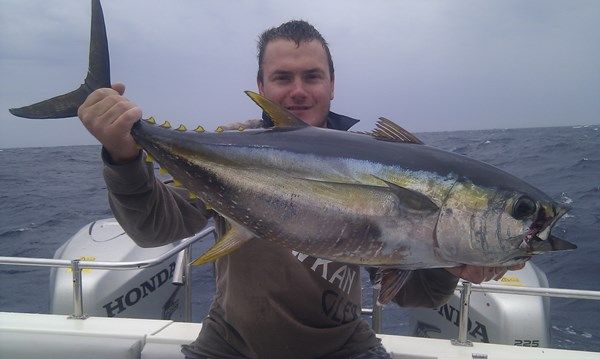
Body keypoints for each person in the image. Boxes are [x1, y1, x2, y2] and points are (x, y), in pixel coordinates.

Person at [78, 20, 523, 359]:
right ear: (262, 87)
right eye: (282, 78)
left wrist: (454, 264)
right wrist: (124, 157)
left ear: (331, 84)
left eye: (312, 76)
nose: (298, 91)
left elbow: (411, 295)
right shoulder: (228, 154)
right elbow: (154, 229)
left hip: (343, 344)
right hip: (231, 343)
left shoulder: (380, 160)